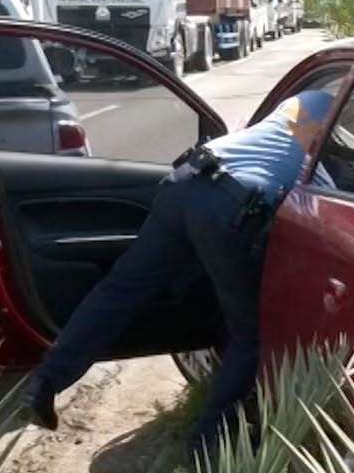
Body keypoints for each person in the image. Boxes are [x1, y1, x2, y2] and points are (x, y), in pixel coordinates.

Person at [25, 90, 337, 454]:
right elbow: (326, 189)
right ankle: (206, 445)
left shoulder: (296, 107)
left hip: (187, 181)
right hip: (230, 207)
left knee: (119, 292)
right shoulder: (333, 114)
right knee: (248, 338)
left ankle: (45, 384)